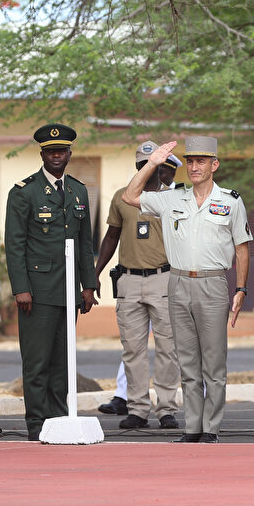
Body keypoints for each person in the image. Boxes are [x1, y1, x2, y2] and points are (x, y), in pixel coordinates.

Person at [123, 136, 250, 443]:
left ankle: (211, 427)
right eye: (190, 161)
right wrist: (152, 164)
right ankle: (193, 426)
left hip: (213, 283)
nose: (194, 167)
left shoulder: (230, 201)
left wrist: (241, 289)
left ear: (214, 165)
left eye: (201, 161)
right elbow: (130, 196)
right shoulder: (172, 198)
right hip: (178, 282)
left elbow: (242, 248)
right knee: (188, 362)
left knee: (214, 363)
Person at [4, 123, 98, 441]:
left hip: (70, 290)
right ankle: (37, 426)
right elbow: (15, 244)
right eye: (51, 151)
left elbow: (85, 243)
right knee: (37, 362)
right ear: (42, 154)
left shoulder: (78, 190)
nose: (57, 156)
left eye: (62, 151)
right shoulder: (24, 192)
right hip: (38, 291)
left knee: (63, 362)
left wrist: (89, 285)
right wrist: (21, 288)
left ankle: (59, 420)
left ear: (69, 153)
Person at [94, 141, 181, 430]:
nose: (147, 169)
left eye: (151, 164)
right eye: (142, 164)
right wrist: (94, 274)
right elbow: (111, 237)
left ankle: (167, 408)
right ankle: (138, 408)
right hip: (129, 280)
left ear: (162, 167)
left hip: (164, 279)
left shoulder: (174, 199)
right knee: (133, 349)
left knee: (168, 348)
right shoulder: (121, 197)